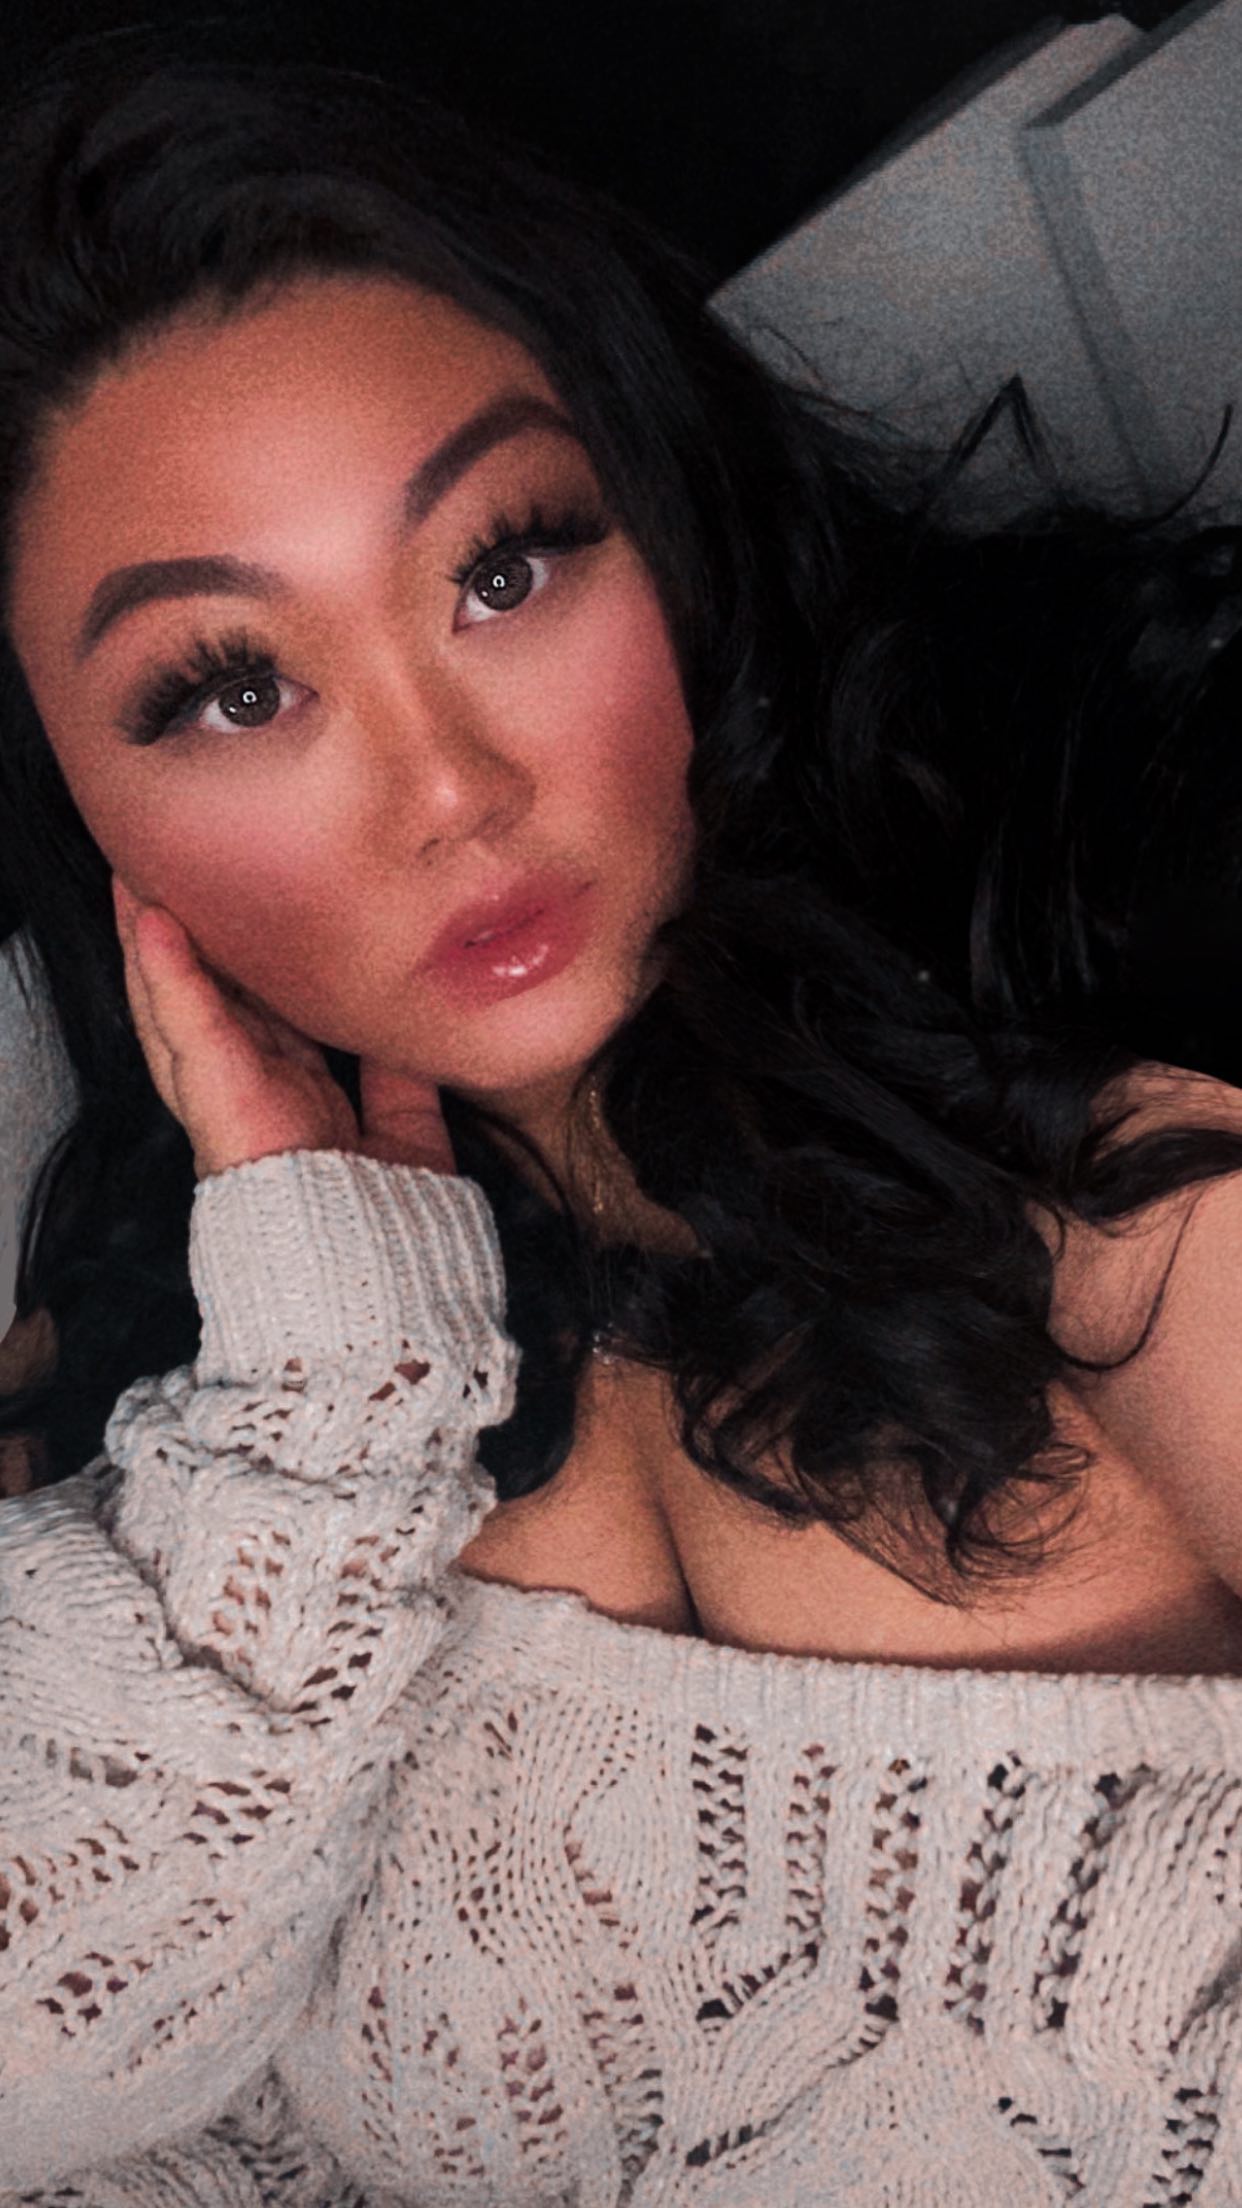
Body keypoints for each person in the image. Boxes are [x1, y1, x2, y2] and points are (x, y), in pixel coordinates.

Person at [2, 47, 1242, 2207]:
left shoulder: (1120, 1131)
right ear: (80, 804)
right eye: (229, 686)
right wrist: (321, 1392)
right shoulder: (158, 1385)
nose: (450, 787)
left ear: (665, 515)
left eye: (504, 568)